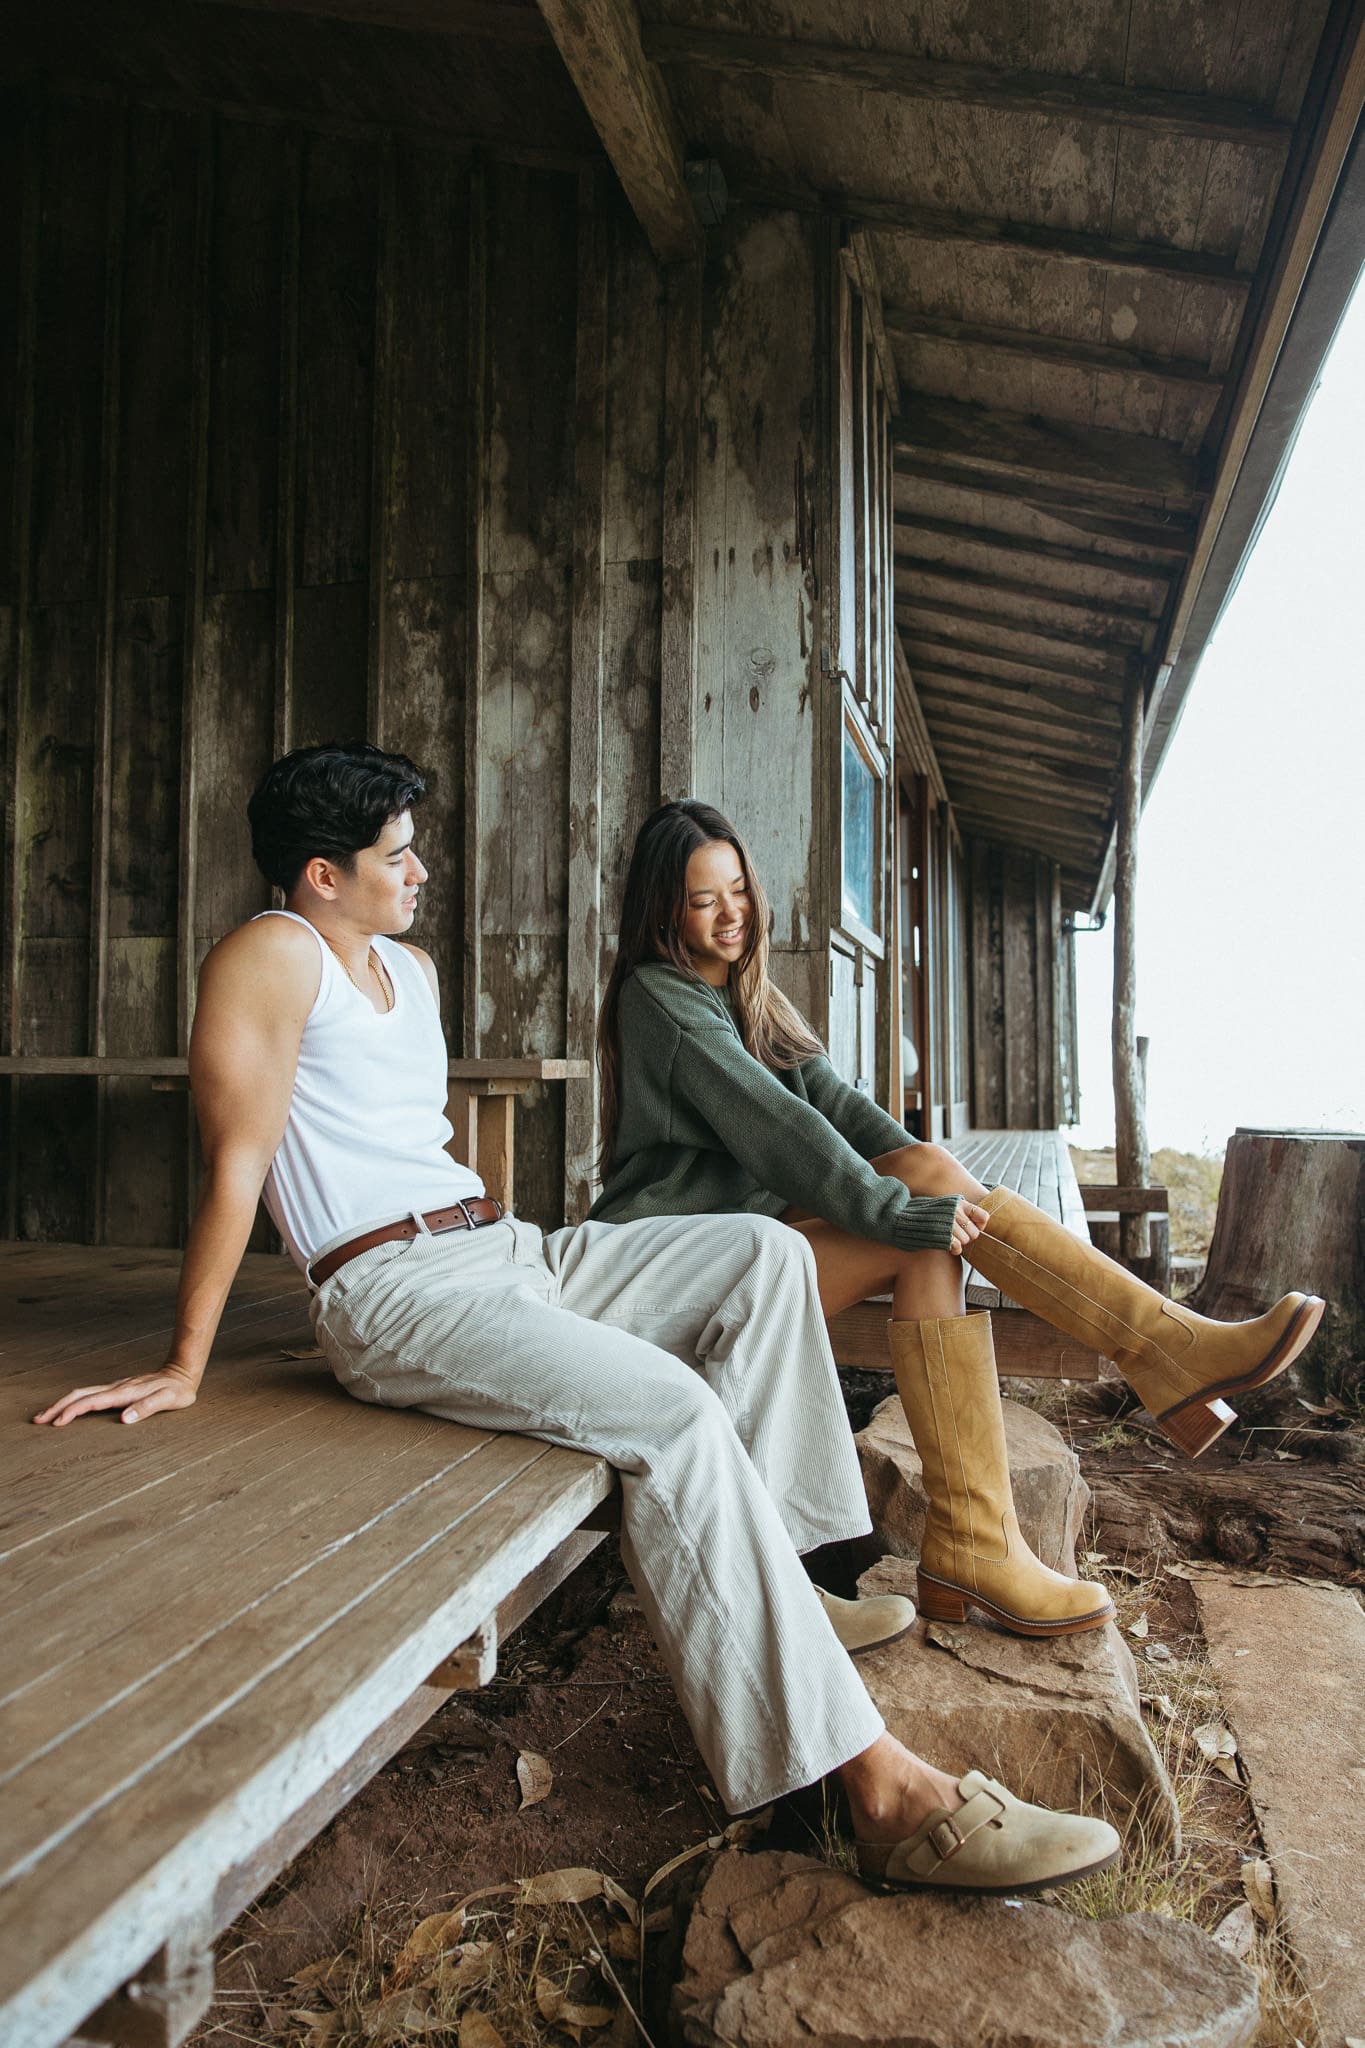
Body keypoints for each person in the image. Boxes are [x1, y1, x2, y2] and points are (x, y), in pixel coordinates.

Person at [33, 741, 1119, 1898]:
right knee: (673, 1411)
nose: (420, 871)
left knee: (760, 1255)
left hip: (511, 1248)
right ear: (319, 876)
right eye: (396, 855)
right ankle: (884, 1793)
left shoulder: (410, 969)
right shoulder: (270, 953)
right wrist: (187, 1361)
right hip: (394, 1290)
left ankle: (786, 1589)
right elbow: (238, 1162)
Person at [591, 799, 1326, 1637]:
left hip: (749, 1248)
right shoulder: (658, 997)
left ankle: (992, 1533)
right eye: (702, 900)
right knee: (922, 1222)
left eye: (739, 890)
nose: (732, 914)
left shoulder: (751, 996)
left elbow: (846, 1112)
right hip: (671, 1268)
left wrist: (921, 1188)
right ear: (663, 910)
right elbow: (776, 1128)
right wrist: (891, 1210)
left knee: (932, 1197)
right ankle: (1155, 1358)